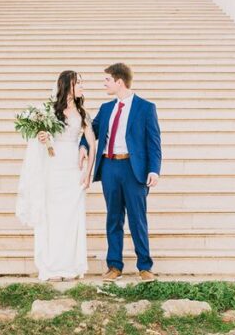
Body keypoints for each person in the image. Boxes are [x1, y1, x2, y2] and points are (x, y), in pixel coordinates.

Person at [80, 62, 162, 283]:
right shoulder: (106, 108)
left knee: (137, 219)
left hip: (133, 170)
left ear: (119, 81)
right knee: (113, 218)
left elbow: (154, 143)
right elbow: (92, 132)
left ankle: (144, 266)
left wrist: (154, 170)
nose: (104, 84)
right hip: (109, 167)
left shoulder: (146, 108)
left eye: (107, 80)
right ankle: (114, 266)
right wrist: (82, 146)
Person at [15, 70, 96, 281]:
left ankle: (71, 265)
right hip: (53, 168)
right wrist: (42, 137)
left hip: (74, 170)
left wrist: (88, 172)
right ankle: (51, 266)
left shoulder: (82, 113)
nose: (82, 86)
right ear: (67, 85)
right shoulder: (49, 111)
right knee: (52, 217)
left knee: (72, 217)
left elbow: (92, 142)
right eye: (78, 83)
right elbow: (43, 138)